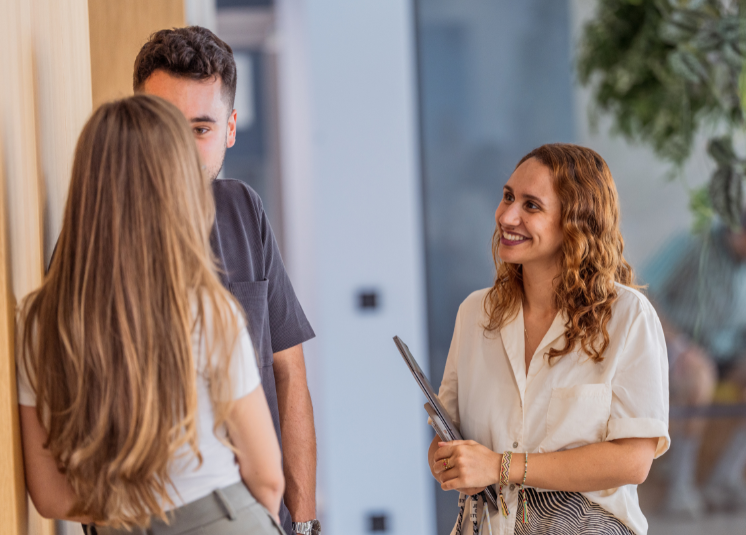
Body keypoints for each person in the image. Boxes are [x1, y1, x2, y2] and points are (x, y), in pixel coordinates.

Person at [17, 95, 285, 534]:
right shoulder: (206, 309)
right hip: (225, 517)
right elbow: (267, 476)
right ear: (176, 192)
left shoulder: (38, 323)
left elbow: (51, 496)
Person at [131, 27, 319, 535]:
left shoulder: (243, 210)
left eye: (200, 129)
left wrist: (301, 524)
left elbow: (289, 372)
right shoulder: (98, 236)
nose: (180, 149)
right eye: (165, 126)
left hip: (261, 518)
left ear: (231, 128)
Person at [428, 144, 669, 535]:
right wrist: (449, 463)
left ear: (576, 222)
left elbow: (633, 461)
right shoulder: (474, 314)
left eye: (531, 206)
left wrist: (498, 466)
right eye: (508, 197)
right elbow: (448, 432)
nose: (507, 216)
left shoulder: (628, 317)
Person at [643, 218, 746, 515]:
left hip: (727, 349)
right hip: (679, 345)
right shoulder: (693, 244)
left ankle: (724, 479)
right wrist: (680, 344)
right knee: (699, 374)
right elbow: (646, 292)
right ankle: (680, 487)